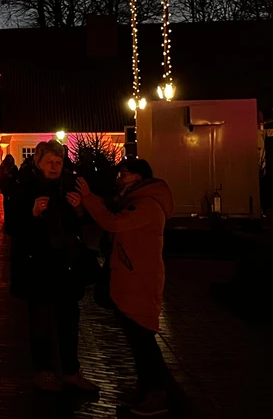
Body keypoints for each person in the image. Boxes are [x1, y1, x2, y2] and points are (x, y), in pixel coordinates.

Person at [75, 159, 171, 416]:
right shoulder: (134, 201)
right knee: (137, 338)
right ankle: (147, 388)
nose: (119, 178)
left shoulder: (147, 204)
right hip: (131, 277)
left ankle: (157, 394)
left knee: (143, 339)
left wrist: (89, 198)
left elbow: (114, 223)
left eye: (124, 174)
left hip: (140, 279)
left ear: (139, 178)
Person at [4, 140, 99, 393]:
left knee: (69, 321)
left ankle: (71, 371)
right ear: (39, 163)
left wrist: (80, 209)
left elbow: (84, 222)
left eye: (58, 162)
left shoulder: (69, 184)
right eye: (50, 162)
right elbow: (12, 226)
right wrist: (31, 213)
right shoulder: (24, 185)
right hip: (37, 268)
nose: (55, 166)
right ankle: (43, 371)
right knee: (41, 323)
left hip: (67, 267)